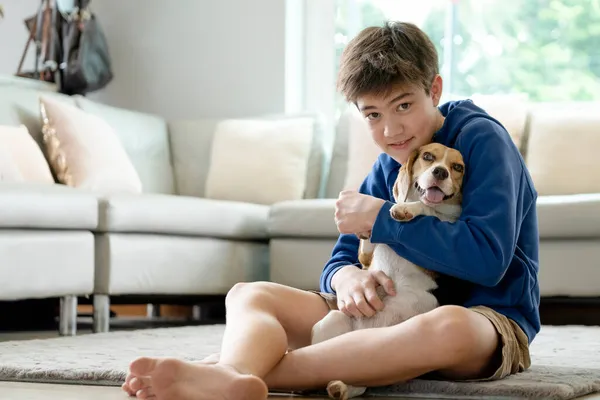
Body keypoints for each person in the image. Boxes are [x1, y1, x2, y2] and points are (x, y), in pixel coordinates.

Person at [122, 21, 540, 400]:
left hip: (484, 319)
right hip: (381, 311)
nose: (390, 130)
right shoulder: (387, 166)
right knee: (249, 294)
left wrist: (382, 221)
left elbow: (488, 260)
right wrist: (349, 279)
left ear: (434, 90)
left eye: (404, 106)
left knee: (449, 327)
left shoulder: (482, 139)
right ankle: (234, 377)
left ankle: (238, 372)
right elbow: (340, 259)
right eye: (372, 115)